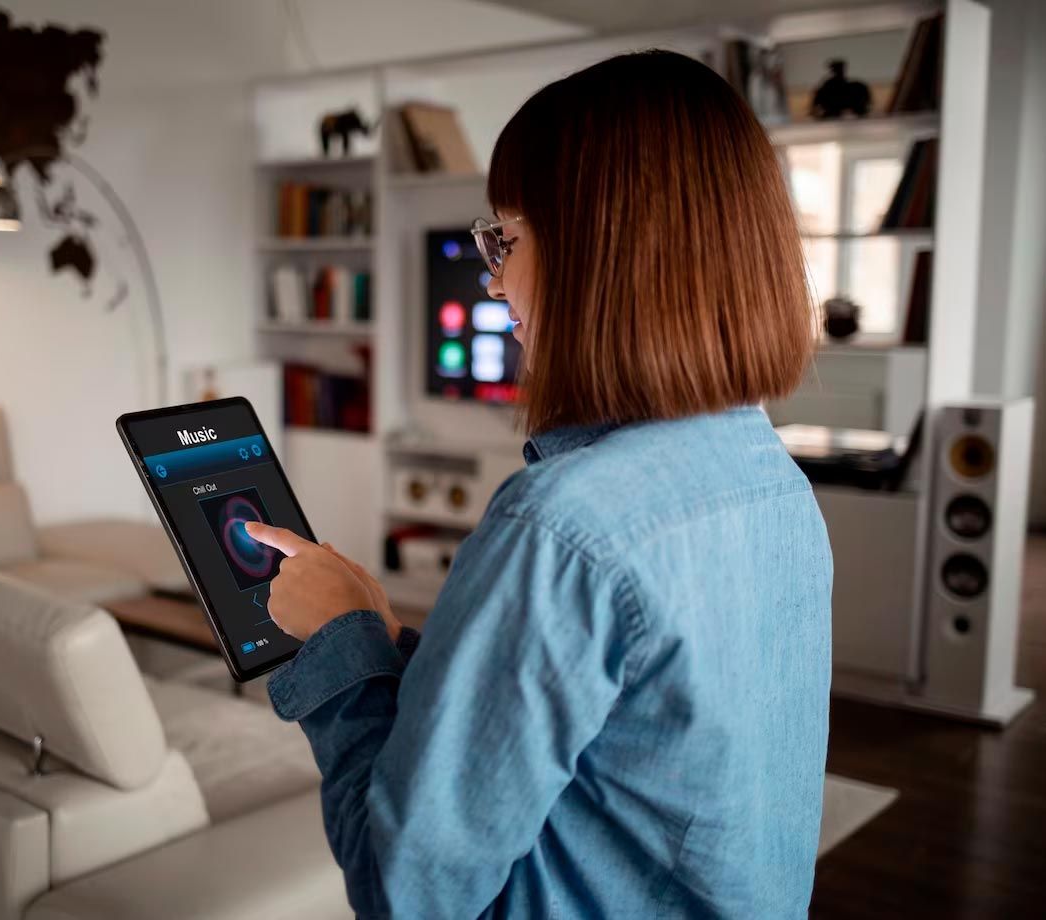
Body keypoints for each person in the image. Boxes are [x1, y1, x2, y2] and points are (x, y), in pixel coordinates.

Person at [245, 49, 832, 919]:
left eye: (507, 240)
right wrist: (393, 643)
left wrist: (339, 642)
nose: (492, 279)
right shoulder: (773, 481)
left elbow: (406, 894)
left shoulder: (561, 529)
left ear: (600, 253)